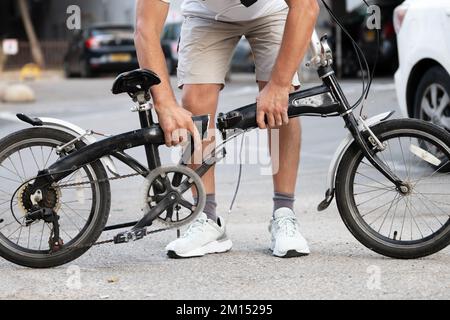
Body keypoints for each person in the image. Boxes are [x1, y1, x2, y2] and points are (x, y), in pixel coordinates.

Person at [134, 0, 320, 258]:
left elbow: (307, 7)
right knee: (195, 103)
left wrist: (278, 86)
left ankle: (284, 212)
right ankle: (207, 218)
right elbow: (146, 27)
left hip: (272, 10)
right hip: (207, 15)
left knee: (281, 106)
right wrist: (164, 103)